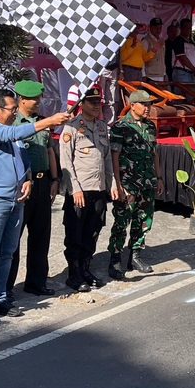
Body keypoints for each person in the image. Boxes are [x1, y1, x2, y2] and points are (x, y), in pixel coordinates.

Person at [0, 90, 70, 326]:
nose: (15, 113)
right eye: (12, 109)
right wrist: (49, 121)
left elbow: (23, 157)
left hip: (16, 199)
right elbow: (14, 133)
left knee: (7, 252)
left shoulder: (10, 128)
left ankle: (0, 298)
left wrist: (27, 178)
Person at [60, 87, 115, 293]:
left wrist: (112, 185)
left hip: (98, 189)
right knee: (75, 233)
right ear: (81, 104)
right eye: (92, 102)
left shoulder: (102, 127)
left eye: (99, 101)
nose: (96, 105)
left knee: (93, 231)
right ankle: (73, 274)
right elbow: (66, 162)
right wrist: (75, 189)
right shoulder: (71, 128)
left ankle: (85, 269)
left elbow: (107, 159)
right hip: (80, 191)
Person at [8, 81, 60, 297]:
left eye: (39, 98)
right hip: (22, 185)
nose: (39, 102)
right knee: (14, 236)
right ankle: (6, 287)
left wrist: (55, 179)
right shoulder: (13, 124)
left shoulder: (42, 122)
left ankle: (36, 282)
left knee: (41, 234)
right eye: (34, 99)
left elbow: (50, 151)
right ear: (22, 100)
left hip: (43, 182)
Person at [106, 90, 163, 279]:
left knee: (144, 220)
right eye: (144, 105)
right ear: (132, 105)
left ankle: (135, 256)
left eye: (149, 105)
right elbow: (114, 157)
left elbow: (154, 153)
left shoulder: (150, 126)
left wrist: (159, 177)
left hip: (147, 182)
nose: (148, 108)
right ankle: (115, 258)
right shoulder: (120, 127)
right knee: (121, 222)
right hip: (128, 183)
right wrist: (117, 184)